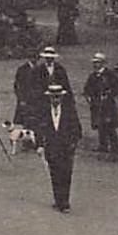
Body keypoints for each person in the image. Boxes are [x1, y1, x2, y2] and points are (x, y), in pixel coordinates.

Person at [39, 82, 82, 213]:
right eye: (53, 97)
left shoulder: (69, 112)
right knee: (54, 174)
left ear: (62, 98)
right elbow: (40, 130)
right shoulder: (45, 112)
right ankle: (58, 200)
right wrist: (40, 145)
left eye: (57, 97)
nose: (55, 100)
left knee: (66, 174)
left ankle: (65, 202)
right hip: (51, 147)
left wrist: (72, 144)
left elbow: (77, 130)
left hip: (66, 148)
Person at [83, 52, 118, 156]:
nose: (95, 65)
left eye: (98, 62)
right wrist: (89, 97)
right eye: (94, 63)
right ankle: (102, 145)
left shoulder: (110, 75)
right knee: (100, 125)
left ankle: (115, 147)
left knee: (110, 125)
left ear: (103, 63)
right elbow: (87, 89)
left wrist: (109, 95)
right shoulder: (92, 76)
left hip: (108, 105)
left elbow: (117, 88)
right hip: (96, 105)